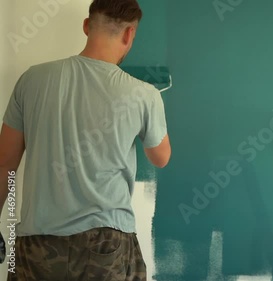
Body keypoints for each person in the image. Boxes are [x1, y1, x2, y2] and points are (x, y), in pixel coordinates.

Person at [0, 0, 171, 280]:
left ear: (86, 26)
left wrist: (4, 222)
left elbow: (5, 164)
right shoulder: (143, 94)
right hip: (107, 243)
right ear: (129, 35)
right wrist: (151, 108)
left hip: (36, 243)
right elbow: (160, 158)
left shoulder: (31, 80)